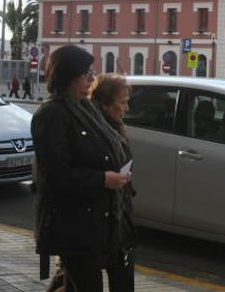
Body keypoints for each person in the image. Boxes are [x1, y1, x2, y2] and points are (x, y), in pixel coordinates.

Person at [31, 46, 133, 292]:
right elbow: (54, 176)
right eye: (85, 73)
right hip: (76, 226)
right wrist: (102, 179)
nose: (91, 78)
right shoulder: (52, 115)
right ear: (68, 75)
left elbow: (107, 150)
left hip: (105, 219)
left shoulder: (87, 109)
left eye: (92, 72)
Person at [90, 73, 137, 291]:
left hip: (118, 211)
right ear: (106, 104)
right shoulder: (97, 131)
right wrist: (110, 179)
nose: (126, 108)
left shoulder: (116, 127)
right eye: (123, 102)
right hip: (103, 217)